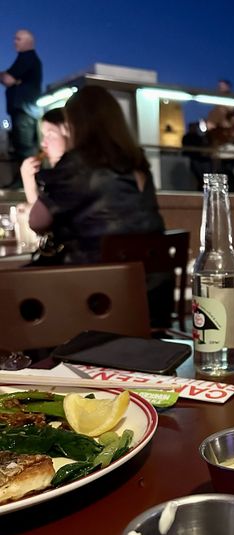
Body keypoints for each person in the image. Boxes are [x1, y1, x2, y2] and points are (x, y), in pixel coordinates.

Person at [28, 85, 170, 325]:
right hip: (152, 294)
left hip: (97, 297)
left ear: (76, 124)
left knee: (14, 288)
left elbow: (36, 222)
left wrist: (28, 180)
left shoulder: (78, 165)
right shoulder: (137, 162)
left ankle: (32, 361)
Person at [0, 29, 43, 186]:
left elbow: (8, 79)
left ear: (28, 41)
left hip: (24, 110)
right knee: (27, 147)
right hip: (27, 110)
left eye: (18, 39)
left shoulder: (27, 57)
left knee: (25, 147)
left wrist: (6, 76)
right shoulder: (29, 59)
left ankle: (26, 182)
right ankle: (29, 181)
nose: (14, 42)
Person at [19, 107, 68, 205]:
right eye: (43, 135)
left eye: (50, 135)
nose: (43, 143)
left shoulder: (74, 179)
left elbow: (40, 217)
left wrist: (27, 180)